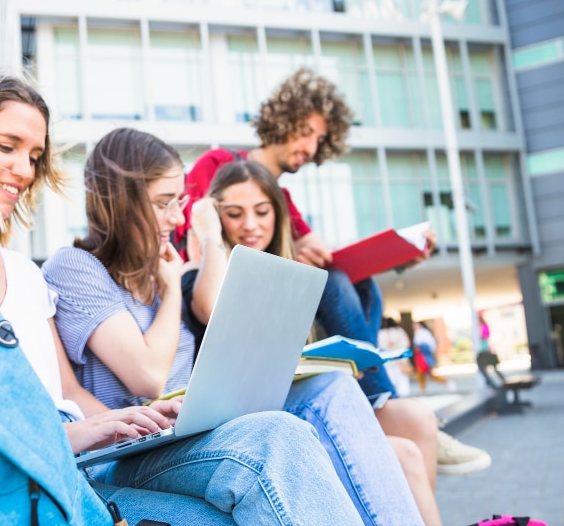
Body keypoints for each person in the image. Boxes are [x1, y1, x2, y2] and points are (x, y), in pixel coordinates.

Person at [0, 74, 362, 524]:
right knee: (272, 444)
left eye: (34, 155)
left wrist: (128, 425)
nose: (25, 170)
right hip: (3, 480)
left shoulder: (27, 274)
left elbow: (66, 391)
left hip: (69, 469)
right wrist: (62, 437)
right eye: (8, 147)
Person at [43, 127, 425, 525]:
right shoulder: (77, 267)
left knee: (332, 387)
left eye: (179, 202)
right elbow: (148, 377)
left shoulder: (160, 267)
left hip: (191, 429)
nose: (176, 218)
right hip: (130, 453)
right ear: (119, 204)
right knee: (277, 437)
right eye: (163, 203)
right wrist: (172, 286)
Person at [176, 67, 491, 480]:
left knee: (360, 284)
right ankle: (381, 398)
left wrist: (398, 256)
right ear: (282, 120)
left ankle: (377, 397)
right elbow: (195, 229)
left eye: (320, 139)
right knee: (339, 282)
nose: (310, 145)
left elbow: (319, 253)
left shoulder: (285, 200)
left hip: (274, 301)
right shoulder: (219, 163)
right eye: (305, 130)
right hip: (219, 288)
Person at [184, 160, 442, 526]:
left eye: (262, 211)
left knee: (418, 420)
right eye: (234, 214)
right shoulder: (205, 267)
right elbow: (209, 307)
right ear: (215, 214)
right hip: (254, 416)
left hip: (308, 395)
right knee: (404, 457)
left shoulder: (291, 268)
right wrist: (208, 233)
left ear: (278, 211)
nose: (251, 225)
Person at [412, 321, 454, 394]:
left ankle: (447, 382)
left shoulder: (424, 332)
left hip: (424, 355)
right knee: (422, 374)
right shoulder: (418, 333)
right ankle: (423, 389)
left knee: (425, 373)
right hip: (420, 355)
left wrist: (424, 350)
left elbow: (431, 345)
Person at [378, 318, 413, 397]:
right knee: (402, 383)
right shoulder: (400, 331)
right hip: (400, 360)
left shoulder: (379, 333)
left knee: (391, 381)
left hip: (387, 361)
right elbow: (406, 344)